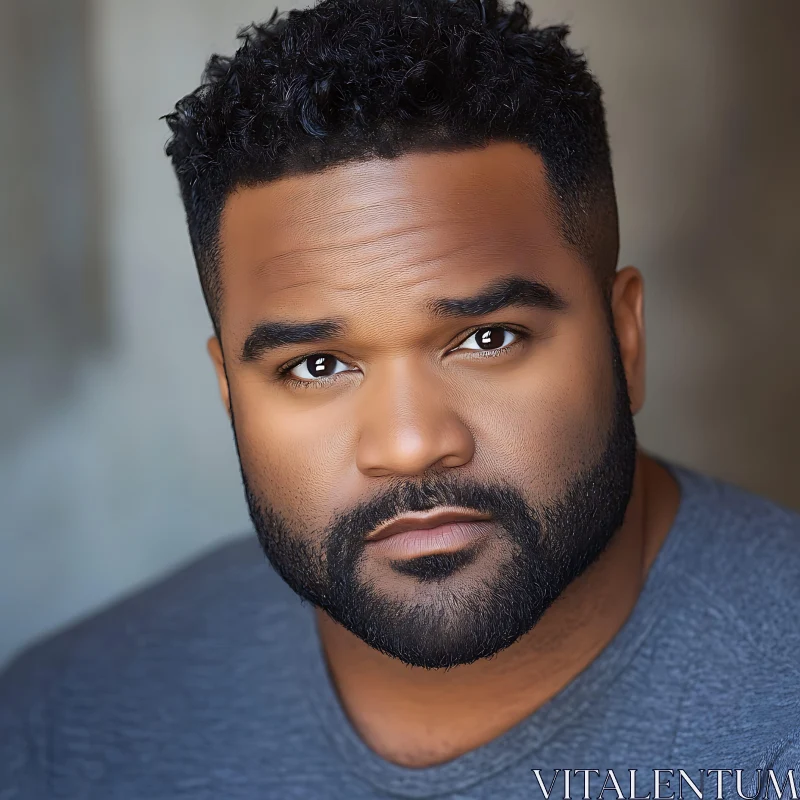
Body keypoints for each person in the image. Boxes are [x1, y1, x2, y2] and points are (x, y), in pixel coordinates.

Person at [2, 0, 798, 797]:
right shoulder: (60, 731)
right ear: (228, 393)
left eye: (488, 339)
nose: (411, 443)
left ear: (624, 338)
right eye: (316, 366)